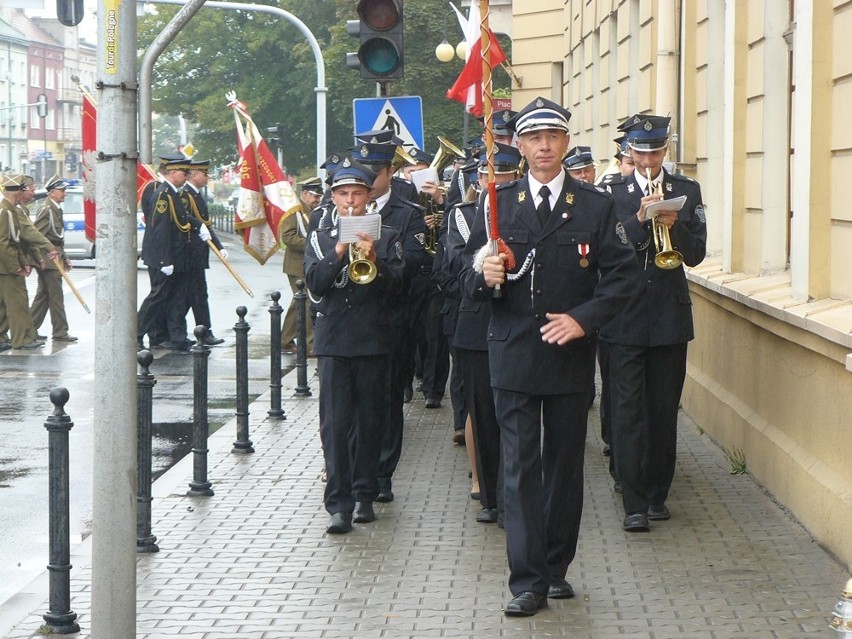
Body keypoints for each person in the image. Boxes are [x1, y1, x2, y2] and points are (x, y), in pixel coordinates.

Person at [460, 97, 641, 616]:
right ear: (518, 145)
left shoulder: (594, 205)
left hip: (568, 354)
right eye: (533, 138)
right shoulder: (496, 201)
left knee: (564, 465)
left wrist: (584, 318)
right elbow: (461, 276)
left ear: (565, 142)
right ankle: (527, 580)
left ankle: (557, 566)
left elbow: (624, 278)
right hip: (513, 352)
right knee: (518, 467)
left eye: (552, 137)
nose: (543, 147)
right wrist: (483, 277)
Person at [600, 114, 707, 533]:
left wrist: (674, 229)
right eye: (641, 152)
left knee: (663, 410)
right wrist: (640, 222)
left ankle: (658, 493)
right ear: (629, 152)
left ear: (665, 151)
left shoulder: (686, 190)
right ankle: (633, 501)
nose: (648, 159)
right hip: (624, 315)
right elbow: (607, 249)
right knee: (627, 411)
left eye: (656, 151)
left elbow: (696, 253)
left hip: (668, 315)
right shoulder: (611, 192)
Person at [304, 158, 405, 534]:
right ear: (333, 197)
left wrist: (375, 258)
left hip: (373, 337)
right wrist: (340, 251)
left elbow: (397, 287)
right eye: (344, 194)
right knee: (335, 424)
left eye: (357, 194)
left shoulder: (388, 234)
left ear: (368, 196)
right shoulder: (319, 235)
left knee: (370, 421)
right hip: (334, 340)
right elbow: (315, 284)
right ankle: (339, 504)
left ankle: (365, 495)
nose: (350, 201)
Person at [348, 140, 429, 504]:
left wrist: (374, 253)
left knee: (386, 400)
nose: (365, 182)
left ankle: (381, 473)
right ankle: (349, 468)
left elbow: (414, 260)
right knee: (348, 405)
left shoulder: (407, 212)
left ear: (388, 174)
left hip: (392, 318)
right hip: (348, 323)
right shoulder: (335, 212)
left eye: (373, 175)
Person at [446, 142, 522, 524]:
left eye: (504, 175)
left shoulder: (524, 212)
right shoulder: (465, 215)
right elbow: (457, 265)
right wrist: (484, 262)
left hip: (519, 326)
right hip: (476, 326)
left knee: (516, 416)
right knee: (483, 412)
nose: (495, 182)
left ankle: (516, 496)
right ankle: (490, 494)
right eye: (487, 176)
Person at [138, 155, 210, 352]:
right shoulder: (163, 195)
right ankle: (136, 333)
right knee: (157, 297)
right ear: (171, 173)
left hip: (174, 255)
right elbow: (159, 230)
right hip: (162, 256)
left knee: (173, 297)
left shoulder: (172, 193)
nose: (186, 176)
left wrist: (198, 225)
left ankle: (172, 337)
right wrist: (165, 260)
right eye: (183, 172)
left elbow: (183, 217)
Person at [0, 174, 58, 350]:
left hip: (11, 263)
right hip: (6, 266)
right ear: (16, 192)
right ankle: (22, 339)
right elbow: (5, 242)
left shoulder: (12, 209)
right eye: (24, 190)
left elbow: (17, 241)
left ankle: (16, 337)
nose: (26, 194)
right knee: (17, 303)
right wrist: (16, 265)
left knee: (11, 302)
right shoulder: (6, 211)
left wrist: (25, 260)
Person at [181, 159, 226, 346]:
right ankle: (203, 332)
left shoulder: (197, 195)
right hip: (190, 254)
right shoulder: (185, 195)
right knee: (196, 295)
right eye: (204, 174)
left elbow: (206, 227)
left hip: (198, 254)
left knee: (194, 295)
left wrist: (220, 246)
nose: (207, 177)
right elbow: (188, 224)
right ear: (193, 175)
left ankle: (184, 331)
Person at [30, 175, 77, 342]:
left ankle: (29, 330)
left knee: (43, 296)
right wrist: (39, 258)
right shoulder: (47, 209)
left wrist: (65, 257)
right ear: (51, 193)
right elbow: (38, 235)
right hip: (48, 260)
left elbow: (58, 238)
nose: (65, 193)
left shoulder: (56, 208)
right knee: (56, 296)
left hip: (55, 257)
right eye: (62, 190)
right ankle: (60, 331)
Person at [280, 176, 321, 354]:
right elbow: (288, 237)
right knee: (305, 303)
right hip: (296, 265)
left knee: (299, 302)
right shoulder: (294, 210)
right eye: (314, 196)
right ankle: (310, 345)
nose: (317, 200)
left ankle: (284, 340)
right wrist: (311, 245)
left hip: (307, 265)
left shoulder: (310, 211)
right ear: (304, 194)